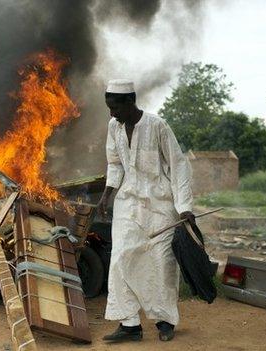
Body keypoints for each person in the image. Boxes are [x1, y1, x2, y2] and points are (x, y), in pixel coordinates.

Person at [97, 79, 195, 342]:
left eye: (114, 107)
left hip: (160, 204)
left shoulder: (157, 125)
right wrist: (107, 194)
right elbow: (114, 162)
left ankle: (164, 322)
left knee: (161, 263)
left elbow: (179, 165)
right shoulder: (113, 126)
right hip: (128, 201)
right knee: (120, 259)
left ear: (130, 101)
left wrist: (184, 207)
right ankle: (129, 325)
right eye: (108, 107)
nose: (111, 113)